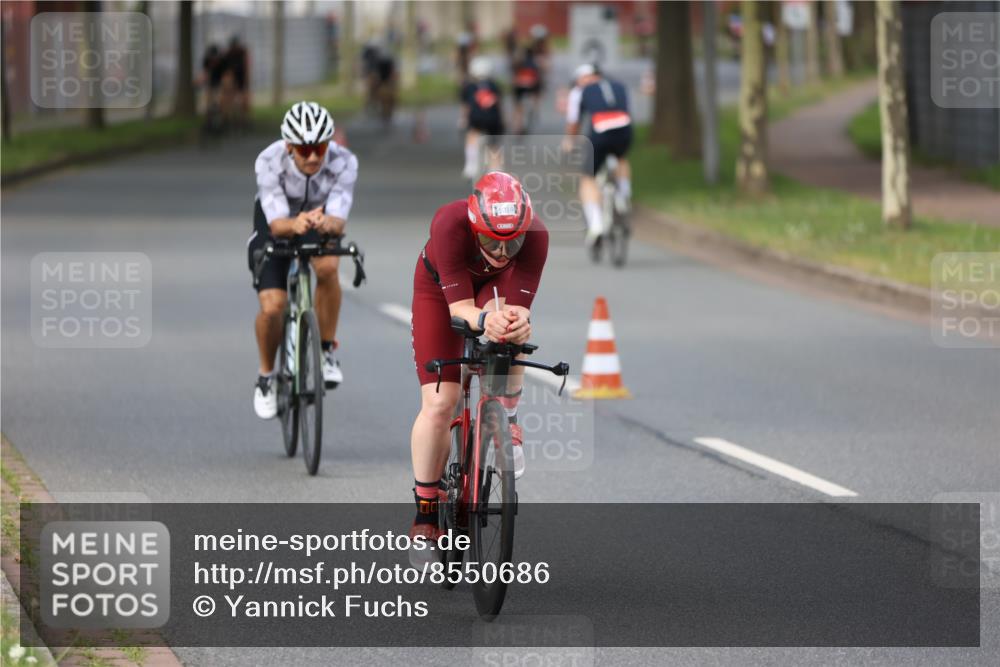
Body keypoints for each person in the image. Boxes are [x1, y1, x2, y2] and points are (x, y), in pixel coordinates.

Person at [408, 172, 548, 557]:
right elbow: (460, 311)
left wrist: (510, 321)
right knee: (440, 402)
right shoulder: (449, 223)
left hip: (493, 288)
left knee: (513, 327)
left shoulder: (536, 236)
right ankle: (426, 516)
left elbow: (515, 305)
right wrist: (486, 320)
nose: (503, 252)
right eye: (491, 241)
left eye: (512, 243)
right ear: (475, 226)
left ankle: (508, 417)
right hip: (440, 291)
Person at [249, 102, 359, 419]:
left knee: (327, 268)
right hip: (277, 222)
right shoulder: (268, 160)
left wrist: (327, 223)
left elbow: (339, 219)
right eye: (305, 148)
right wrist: (292, 224)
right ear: (289, 147)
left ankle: (325, 353)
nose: (313, 156)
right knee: (272, 307)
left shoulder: (345, 161)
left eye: (320, 147)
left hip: (319, 220)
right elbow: (276, 222)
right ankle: (266, 377)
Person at [563, 64, 633, 247]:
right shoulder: (618, 86)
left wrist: (570, 142)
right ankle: (624, 194)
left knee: (587, 179)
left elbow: (574, 122)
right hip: (624, 129)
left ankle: (596, 226)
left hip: (600, 132)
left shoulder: (580, 91)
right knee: (621, 158)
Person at [460, 57, 504, 181]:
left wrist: (463, 119)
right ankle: (495, 169)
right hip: (493, 118)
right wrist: (502, 119)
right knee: (494, 144)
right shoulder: (494, 86)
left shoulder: (469, 87)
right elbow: (499, 104)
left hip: (476, 117)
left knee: (472, 137)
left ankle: (471, 165)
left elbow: (466, 106)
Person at [511, 44, 542, 134]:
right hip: (531, 86)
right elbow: (537, 78)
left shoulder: (518, 62)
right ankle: (534, 109)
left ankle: (518, 125)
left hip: (519, 86)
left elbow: (514, 76)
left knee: (518, 106)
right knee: (533, 98)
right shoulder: (534, 64)